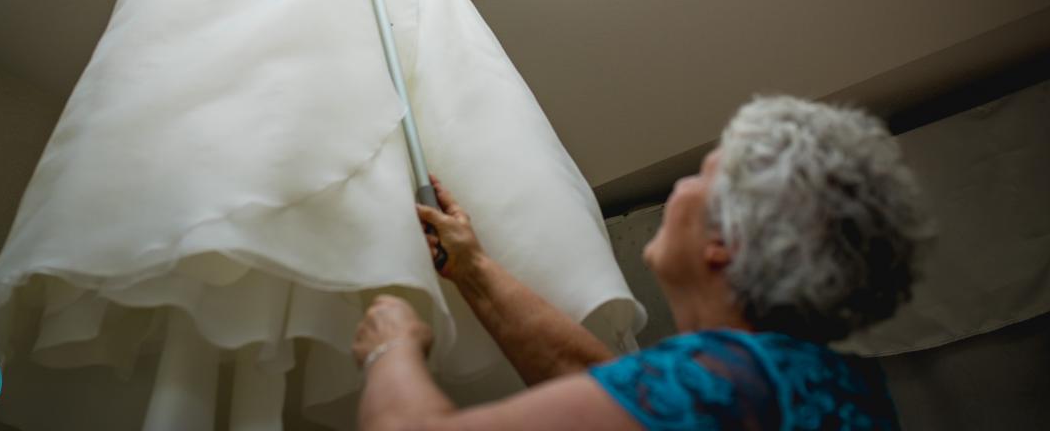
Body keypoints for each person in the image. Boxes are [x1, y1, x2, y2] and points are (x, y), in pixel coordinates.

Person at [352, 95, 934, 430]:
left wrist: (391, 349)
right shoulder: (836, 387)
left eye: (702, 177)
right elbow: (602, 389)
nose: (680, 186)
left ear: (722, 242)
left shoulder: (727, 381)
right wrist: (474, 268)